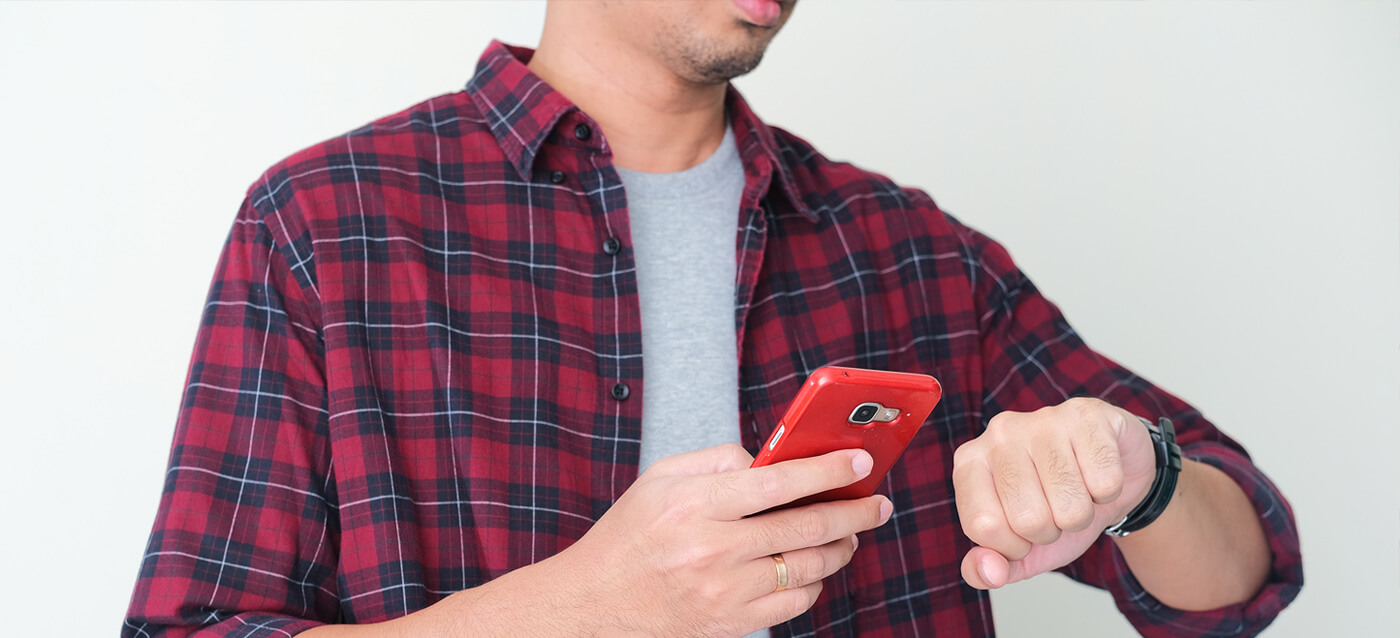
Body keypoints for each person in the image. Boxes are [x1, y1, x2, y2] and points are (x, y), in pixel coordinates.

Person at [123, 1, 1302, 636]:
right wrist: (583, 611)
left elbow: (1243, 564)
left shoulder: (908, 248)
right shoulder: (329, 222)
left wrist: (1133, 472)